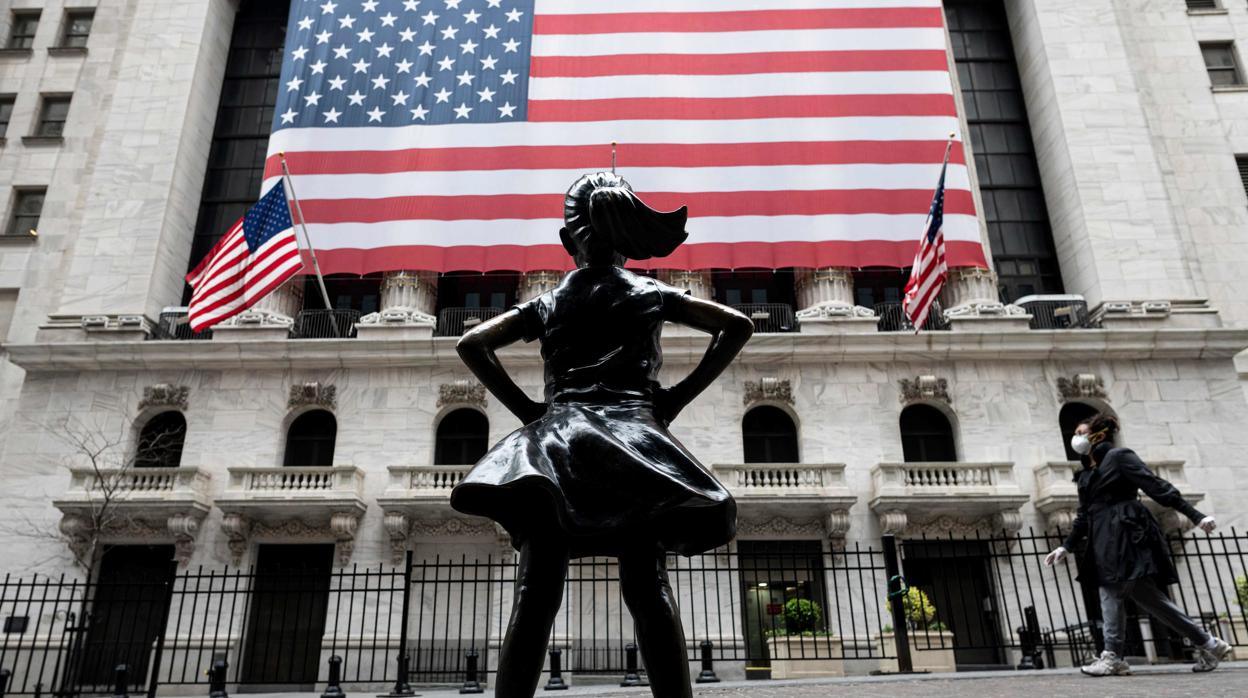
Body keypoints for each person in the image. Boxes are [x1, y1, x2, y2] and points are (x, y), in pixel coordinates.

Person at [450, 172, 754, 698]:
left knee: (536, 593)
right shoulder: (649, 292)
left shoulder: (549, 302)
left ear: (571, 241)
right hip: (633, 443)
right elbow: (737, 325)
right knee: (648, 586)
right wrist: (677, 397)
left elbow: (473, 342)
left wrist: (529, 410)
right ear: (627, 239)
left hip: (559, 444)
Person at [1045, 413, 1231, 676]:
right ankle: (1210, 644)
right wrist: (1066, 546)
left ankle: (1112, 656)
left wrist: (1196, 516)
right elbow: (1085, 514)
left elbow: (1156, 486)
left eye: (1081, 432)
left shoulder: (1119, 457)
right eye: (1074, 433)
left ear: (1098, 434)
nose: (1076, 438)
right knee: (1152, 600)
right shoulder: (1086, 475)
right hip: (1102, 536)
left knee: (1110, 586)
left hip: (1126, 532)